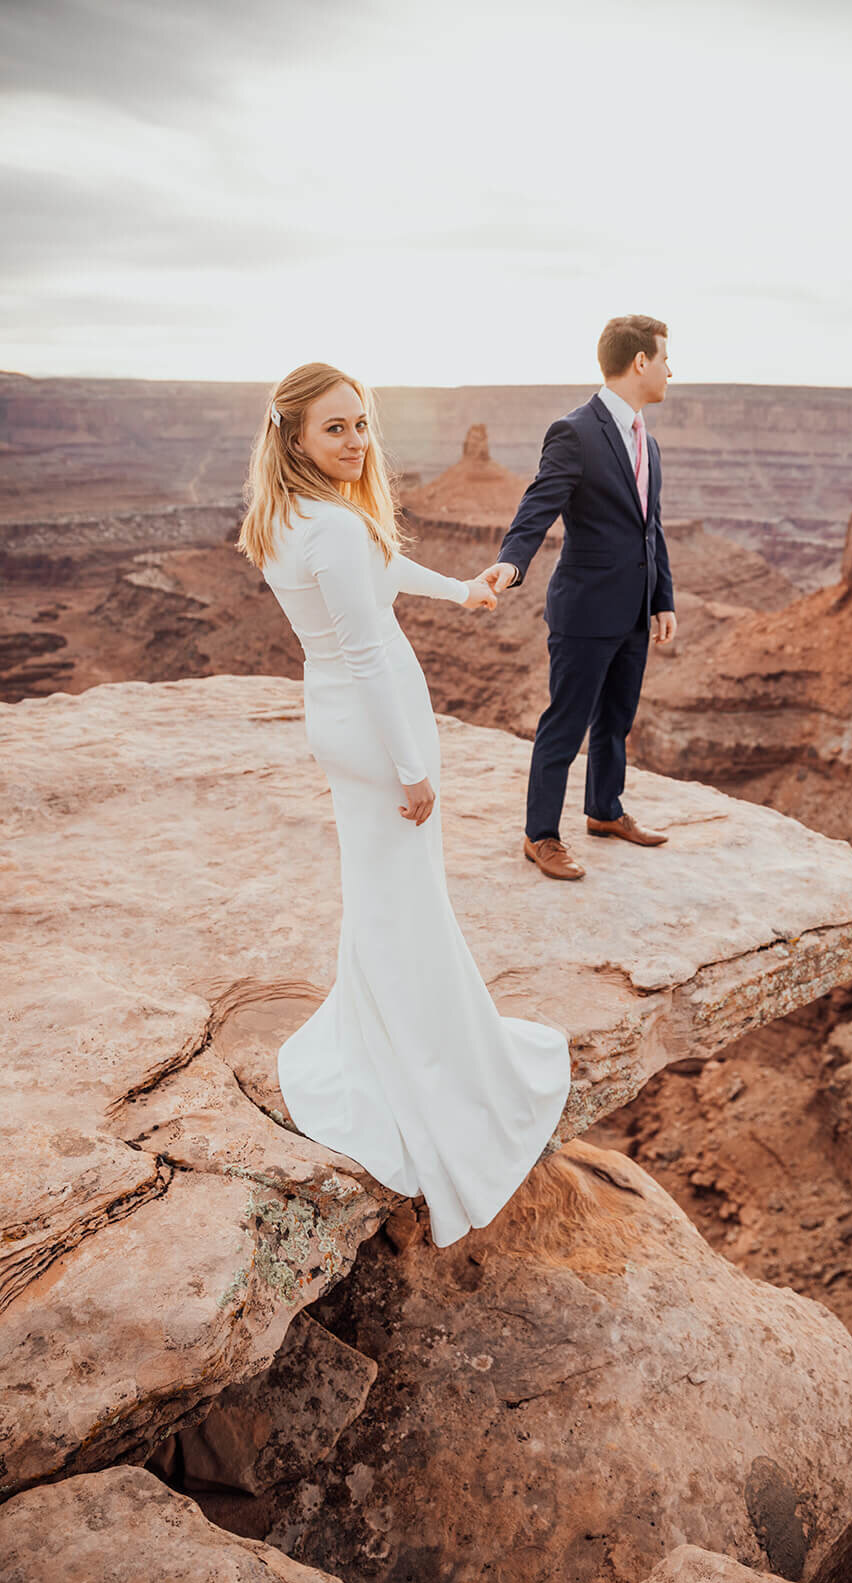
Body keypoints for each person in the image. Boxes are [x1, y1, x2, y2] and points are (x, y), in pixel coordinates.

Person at [237, 362, 572, 1249]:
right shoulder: (333, 529)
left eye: (361, 424)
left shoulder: (288, 517)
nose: (355, 441)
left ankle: (383, 1028)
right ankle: (421, 1067)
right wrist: (413, 769)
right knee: (406, 899)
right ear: (295, 438)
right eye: (335, 429)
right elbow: (369, 654)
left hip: (337, 720)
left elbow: (380, 571)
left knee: (383, 893)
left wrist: (461, 589)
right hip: (375, 728)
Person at [478, 315, 677, 882]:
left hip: (635, 609)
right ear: (640, 361)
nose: (671, 371)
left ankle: (605, 811)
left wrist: (662, 598)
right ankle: (540, 834)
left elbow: (651, 526)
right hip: (586, 610)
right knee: (565, 723)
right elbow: (539, 503)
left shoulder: (648, 442)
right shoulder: (575, 431)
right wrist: (512, 562)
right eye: (665, 359)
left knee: (617, 719)